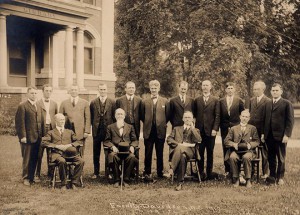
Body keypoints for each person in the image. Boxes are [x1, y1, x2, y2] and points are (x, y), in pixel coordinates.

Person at [262, 83, 294, 185]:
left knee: (280, 157)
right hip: (269, 135)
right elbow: (265, 120)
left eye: (276, 90)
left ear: (281, 91)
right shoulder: (267, 103)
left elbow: (290, 121)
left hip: (280, 136)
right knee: (271, 157)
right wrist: (263, 134)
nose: (274, 92)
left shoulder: (286, 103)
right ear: (270, 91)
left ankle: (280, 177)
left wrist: (286, 135)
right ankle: (272, 176)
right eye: (273, 90)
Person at [42, 113, 84, 190]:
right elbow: (44, 142)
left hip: (70, 154)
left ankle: (74, 182)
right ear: (55, 121)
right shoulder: (51, 132)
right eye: (60, 120)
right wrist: (57, 146)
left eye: (63, 120)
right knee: (62, 161)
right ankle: (63, 183)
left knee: (81, 161)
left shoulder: (70, 132)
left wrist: (69, 145)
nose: (62, 121)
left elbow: (78, 141)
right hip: (57, 154)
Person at [141, 80, 170, 179]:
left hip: (160, 131)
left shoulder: (165, 101)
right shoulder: (144, 101)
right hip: (148, 131)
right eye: (152, 88)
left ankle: (160, 172)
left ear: (159, 89)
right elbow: (142, 115)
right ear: (150, 89)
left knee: (160, 152)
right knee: (148, 152)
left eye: (155, 88)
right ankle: (147, 172)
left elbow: (168, 115)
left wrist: (161, 123)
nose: (154, 90)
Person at [166, 111, 201, 191]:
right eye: (185, 117)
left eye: (189, 117)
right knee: (182, 156)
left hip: (190, 152)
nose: (187, 119)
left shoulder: (196, 130)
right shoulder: (176, 128)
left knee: (180, 149)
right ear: (182, 119)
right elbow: (169, 139)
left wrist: (192, 128)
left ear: (192, 119)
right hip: (180, 152)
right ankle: (180, 183)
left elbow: (199, 140)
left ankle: (172, 169)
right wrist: (178, 144)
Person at [15, 86, 43, 186]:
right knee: (26, 158)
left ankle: (32, 177)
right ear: (27, 94)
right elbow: (19, 123)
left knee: (35, 157)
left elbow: (40, 121)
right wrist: (22, 136)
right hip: (27, 137)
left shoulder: (38, 105)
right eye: (32, 93)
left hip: (37, 137)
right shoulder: (22, 106)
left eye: (35, 93)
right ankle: (26, 177)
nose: (34, 95)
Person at [104, 108, 139, 187]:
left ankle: (125, 179)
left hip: (127, 151)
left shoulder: (130, 127)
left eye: (121, 114)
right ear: (115, 116)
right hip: (116, 151)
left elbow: (135, 140)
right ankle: (116, 179)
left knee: (132, 157)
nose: (120, 116)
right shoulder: (110, 127)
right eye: (118, 114)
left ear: (124, 116)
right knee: (113, 157)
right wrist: (112, 146)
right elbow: (106, 141)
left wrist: (132, 146)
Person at [225, 110, 259, 188]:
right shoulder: (234, 128)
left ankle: (248, 179)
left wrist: (250, 145)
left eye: (246, 117)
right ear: (240, 117)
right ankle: (236, 178)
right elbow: (226, 141)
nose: (244, 118)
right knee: (232, 157)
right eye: (243, 116)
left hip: (249, 151)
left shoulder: (253, 128)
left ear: (249, 118)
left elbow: (257, 141)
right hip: (236, 150)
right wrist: (233, 144)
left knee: (246, 157)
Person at [194, 80, 220, 180]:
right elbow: (195, 116)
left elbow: (217, 116)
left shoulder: (215, 100)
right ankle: (200, 173)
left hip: (210, 131)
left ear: (210, 87)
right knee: (200, 152)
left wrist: (215, 129)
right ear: (201, 87)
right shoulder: (197, 100)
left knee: (210, 152)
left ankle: (209, 173)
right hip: (199, 132)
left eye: (207, 85)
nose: (205, 87)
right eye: (203, 85)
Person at [90, 83, 116, 179]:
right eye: (101, 89)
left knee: (108, 152)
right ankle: (96, 172)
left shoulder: (112, 102)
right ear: (98, 90)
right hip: (97, 131)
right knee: (96, 152)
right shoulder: (93, 102)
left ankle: (108, 172)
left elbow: (114, 117)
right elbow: (91, 117)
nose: (102, 91)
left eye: (104, 89)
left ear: (107, 90)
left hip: (108, 132)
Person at [247, 81, 271, 179]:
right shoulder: (251, 100)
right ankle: (252, 172)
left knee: (264, 153)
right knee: (252, 151)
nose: (255, 91)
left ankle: (265, 173)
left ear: (263, 89)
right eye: (254, 89)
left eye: (257, 89)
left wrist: (263, 133)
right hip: (252, 131)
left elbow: (267, 119)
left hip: (263, 131)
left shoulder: (268, 101)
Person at [219, 82, 245, 175]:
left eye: (231, 88)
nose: (230, 90)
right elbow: (219, 115)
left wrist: (242, 127)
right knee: (225, 147)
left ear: (234, 89)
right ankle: (227, 170)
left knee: (235, 147)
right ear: (225, 90)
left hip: (236, 128)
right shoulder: (221, 101)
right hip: (224, 128)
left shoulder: (239, 100)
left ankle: (235, 169)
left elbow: (243, 115)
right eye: (228, 88)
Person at [35, 84, 58, 181]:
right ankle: (37, 174)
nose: (48, 92)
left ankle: (50, 174)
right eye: (46, 91)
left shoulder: (54, 104)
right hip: (41, 129)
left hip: (51, 130)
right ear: (42, 91)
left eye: (50, 91)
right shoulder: (37, 103)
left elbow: (56, 117)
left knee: (51, 152)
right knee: (39, 153)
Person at [59, 85, 91, 156]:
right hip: (67, 129)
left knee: (80, 150)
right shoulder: (64, 103)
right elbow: (60, 117)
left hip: (80, 130)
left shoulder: (85, 103)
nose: (73, 91)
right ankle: (68, 166)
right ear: (69, 91)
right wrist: (61, 130)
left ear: (78, 91)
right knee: (67, 149)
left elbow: (88, 118)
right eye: (72, 90)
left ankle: (80, 166)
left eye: (75, 90)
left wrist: (87, 131)